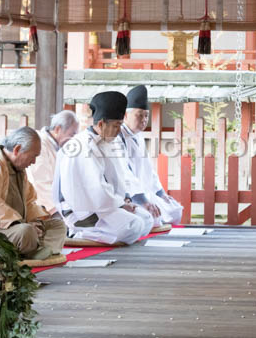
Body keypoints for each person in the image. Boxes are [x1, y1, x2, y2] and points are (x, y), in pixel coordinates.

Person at [53, 91, 154, 245]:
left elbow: (119, 177)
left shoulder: (109, 141)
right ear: (101, 124)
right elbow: (95, 188)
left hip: (105, 204)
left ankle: (102, 232)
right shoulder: (81, 146)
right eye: (116, 125)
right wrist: (120, 205)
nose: (119, 130)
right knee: (134, 226)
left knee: (146, 219)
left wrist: (125, 199)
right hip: (83, 211)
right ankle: (81, 233)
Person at [0, 127, 67, 260]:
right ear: (17, 149)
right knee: (25, 232)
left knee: (58, 225)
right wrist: (21, 223)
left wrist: (36, 221)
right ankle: (33, 249)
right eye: (33, 156)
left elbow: (29, 202)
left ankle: (36, 249)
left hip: (17, 224)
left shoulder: (20, 170)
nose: (33, 162)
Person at [120, 85, 183, 225]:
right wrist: (143, 201)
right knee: (153, 218)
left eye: (146, 115)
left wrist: (161, 193)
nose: (143, 120)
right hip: (131, 196)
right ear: (125, 115)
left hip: (146, 191)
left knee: (175, 210)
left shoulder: (139, 135)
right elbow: (125, 173)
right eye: (139, 115)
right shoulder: (119, 136)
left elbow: (149, 169)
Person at [28, 110, 80, 214]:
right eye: (72, 134)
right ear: (57, 129)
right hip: (47, 207)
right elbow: (41, 182)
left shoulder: (60, 147)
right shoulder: (41, 144)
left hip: (61, 203)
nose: (74, 139)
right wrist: (61, 209)